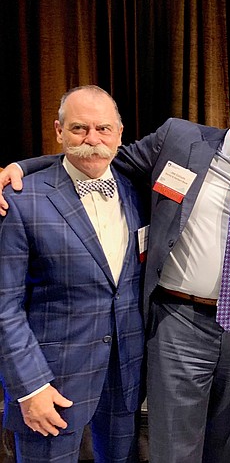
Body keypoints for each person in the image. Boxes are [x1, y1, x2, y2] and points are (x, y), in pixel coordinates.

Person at [0, 74, 230, 462]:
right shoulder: (180, 139)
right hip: (179, 320)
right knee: (175, 449)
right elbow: (100, 155)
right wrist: (23, 167)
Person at [0, 85, 147, 462]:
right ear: (59, 131)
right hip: (50, 380)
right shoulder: (21, 200)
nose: (92, 139)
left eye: (103, 129)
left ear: (119, 134)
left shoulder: (137, 192)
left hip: (124, 375)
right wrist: (29, 387)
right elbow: (4, 307)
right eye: (80, 128)